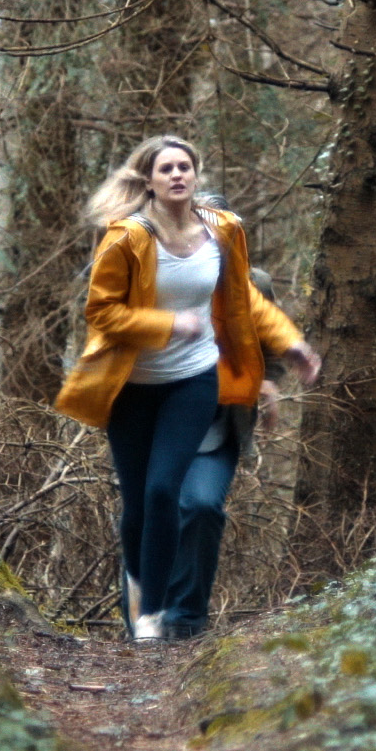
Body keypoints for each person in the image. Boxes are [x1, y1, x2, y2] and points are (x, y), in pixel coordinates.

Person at [55, 135, 320, 641]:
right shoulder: (128, 238)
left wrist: (287, 349)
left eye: (185, 167)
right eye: (166, 169)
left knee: (176, 497)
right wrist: (168, 324)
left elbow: (250, 305)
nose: (177, 175)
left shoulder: (227, 240)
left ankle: (166, 618)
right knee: (142, 503)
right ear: (149, 181)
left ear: (197, 176)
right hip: (136, 388)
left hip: (202, 390)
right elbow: (102, 311)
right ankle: (141, 602)